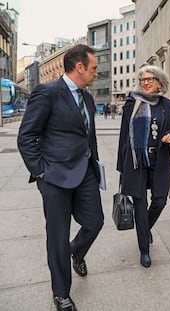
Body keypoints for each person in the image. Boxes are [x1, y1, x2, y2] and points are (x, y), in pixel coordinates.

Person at [17, 44, 104, 311]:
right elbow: (26, 136)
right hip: (55, 177)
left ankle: (76, 252)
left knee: (95, 222)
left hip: (85, 173)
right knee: (57, 236)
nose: (95, 74)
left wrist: (95, 167)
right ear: (79, 67)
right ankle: (61, 294)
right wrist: (41, 172)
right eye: (93, 69)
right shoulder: (48, 92)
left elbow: (88, 136)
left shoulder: (87, 98)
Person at [116, 65, 170, 268]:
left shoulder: (168, 106)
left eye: (151, 79)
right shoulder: (131, 103)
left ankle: (144, 228)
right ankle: (144, 249)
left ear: (160, 82)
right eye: (143, 79)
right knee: (140, 205)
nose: (146, 82)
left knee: (160, 201)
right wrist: (121, 167)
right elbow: (124, 137)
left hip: (159, 159)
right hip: (136, 162)